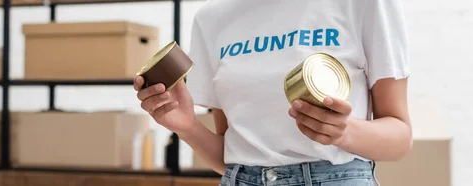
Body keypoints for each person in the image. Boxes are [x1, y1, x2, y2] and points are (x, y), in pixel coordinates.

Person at [133, 0, 412, 185]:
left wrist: (344, 132)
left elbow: (400, 137)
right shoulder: (212, 17)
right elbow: (231, 156)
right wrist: (189, 128)